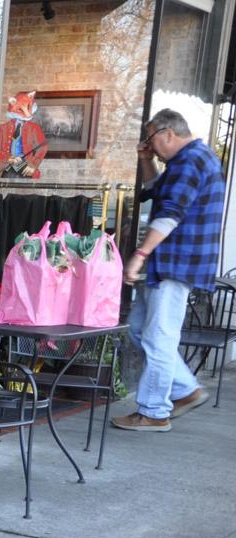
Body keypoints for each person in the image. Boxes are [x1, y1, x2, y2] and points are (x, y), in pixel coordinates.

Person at [111, 108, 223, 432]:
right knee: (141, 329)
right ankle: (185, 389)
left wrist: (139, 255)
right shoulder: (188, 161)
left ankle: (154, 412)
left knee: (158, 338)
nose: (151, 146)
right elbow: (157, 193)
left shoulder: (189, 162)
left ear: (168, 133)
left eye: (151, 139)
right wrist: (146, 159)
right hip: (173, 263)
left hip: (176, 263)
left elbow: (169, 213)